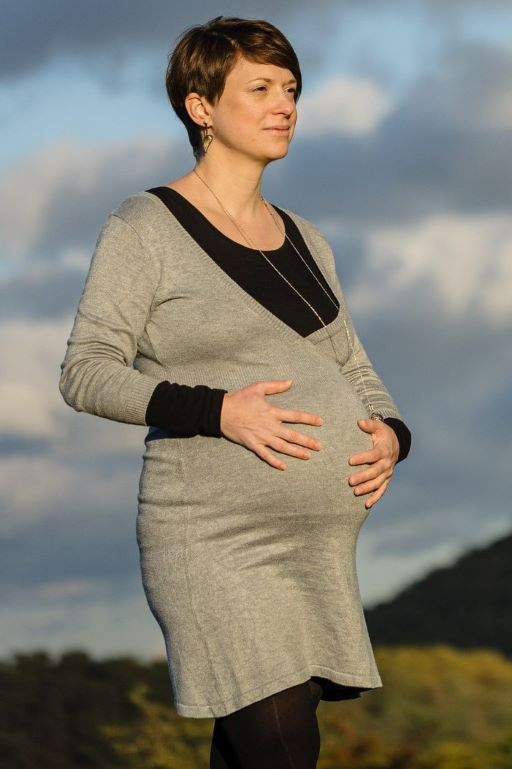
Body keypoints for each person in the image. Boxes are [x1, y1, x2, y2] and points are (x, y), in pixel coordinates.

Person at [59, 16, 411, 769]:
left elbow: (353, 365)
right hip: (216, 539)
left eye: (291, 89)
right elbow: (85, 371)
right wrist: (219, 410)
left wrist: (390, 433)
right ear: (201, 107)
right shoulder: (145, 226)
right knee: (284, 748)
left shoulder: (307, 239)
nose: (285, 105)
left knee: (259, 749)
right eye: (260, 88)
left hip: (316, 548)